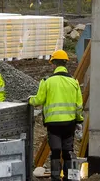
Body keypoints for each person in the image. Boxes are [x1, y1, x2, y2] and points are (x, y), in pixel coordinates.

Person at [29, 50, 83, 181]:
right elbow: (78, 105)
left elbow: (39, 100)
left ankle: (55, 177)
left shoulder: (47, 81)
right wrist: (79, 120)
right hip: (69, 123)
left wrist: (29, 100)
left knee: (56, 150)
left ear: (53, 64)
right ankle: (69, 178)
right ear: (65, 63)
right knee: (68, 151)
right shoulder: (74, 82)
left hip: (53, 124)